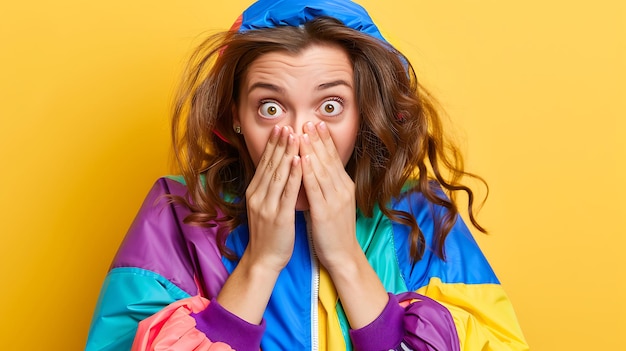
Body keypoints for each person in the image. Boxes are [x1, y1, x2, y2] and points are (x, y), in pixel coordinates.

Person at [86, 0, 528, 350]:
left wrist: (346, 258)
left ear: (362, 116)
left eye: (330, 107)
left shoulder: (419, 216)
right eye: (271, 108)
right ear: (235, 116)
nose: (298, 137)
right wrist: (260, 264)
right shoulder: (179, 215)